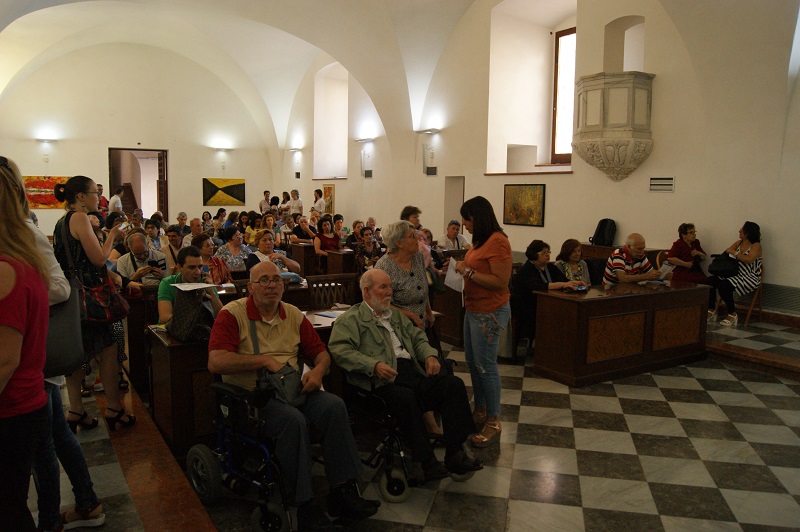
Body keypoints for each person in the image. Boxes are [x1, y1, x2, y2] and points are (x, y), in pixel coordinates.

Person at [207, 261, 379, 529]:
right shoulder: (232, 314)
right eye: (264, 280)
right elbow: (216, 362)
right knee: (293, 421)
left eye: (276, 280)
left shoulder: (293, 314)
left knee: (334, 406)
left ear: (284, 285)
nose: (271, 285)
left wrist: (318, 372)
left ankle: (343, 491)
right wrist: (264, 361)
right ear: (250, 287)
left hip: (292, 387)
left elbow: (320, 353)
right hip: (253, 397)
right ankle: (304, 504)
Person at [329, 269, 483, 482]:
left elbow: (418, 338)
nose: (389, 292)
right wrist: (373, 365)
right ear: (366, 291)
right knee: (406, 398)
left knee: (453, 385)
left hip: (411, 371)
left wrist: (430, 355)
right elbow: (341, 351)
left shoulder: (394, 316)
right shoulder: (351, 320)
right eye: (383, 287)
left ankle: (455, 453)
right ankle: (426, 461)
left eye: (390, 287)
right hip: (379, 382)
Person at [52, 175, 136, 436]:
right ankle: (114, 408)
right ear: (80, 196)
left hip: (72, 296)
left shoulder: (61, 221)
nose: (98, 198)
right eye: (94, 193)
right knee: (108, 349)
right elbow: (99, 259)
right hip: (91, 297)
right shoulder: (79, 218)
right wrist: (112, 236)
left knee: (77, 353)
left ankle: (76, 410)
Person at [0, 155, 52, 530]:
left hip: (11, 409)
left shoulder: (7, 268)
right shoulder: (23, 259)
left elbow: (5, 360)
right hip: (25, 404)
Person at [453, 196, 512, 448]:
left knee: (486, 366)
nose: (464, 224)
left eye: (467, 219)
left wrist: (467, 271)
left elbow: (500, 281)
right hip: (473, 309)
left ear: (477, 217)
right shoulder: (481, 241)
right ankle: (480, 409)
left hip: (490, 311)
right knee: (473, 363)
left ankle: (493, 421)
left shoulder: (498, 241)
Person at [511, 240, 587, 342]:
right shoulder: (527, 270)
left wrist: (574, 283)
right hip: (528, 307)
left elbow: (564, 280)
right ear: (534, 255)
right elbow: (538, 286)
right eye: (544, 253)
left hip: (547, 304)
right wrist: (562, 284)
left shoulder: (550, 267)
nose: (547, 255)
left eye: (548, 252)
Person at [375, 221, 434, 329]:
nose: (417, 238)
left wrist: (428, 311)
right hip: (396, 326)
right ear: (399, 243)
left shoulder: (417, 256)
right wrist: (411, 316)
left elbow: (422, 286)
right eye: (412, 236)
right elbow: (381, 304)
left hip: (420, 324)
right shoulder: (383, 267)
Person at [707, 221, 763, 326]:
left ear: (748, 232)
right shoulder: (739, 243)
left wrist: (735, 253)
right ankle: (711, 309)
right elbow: (728, 251)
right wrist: (735, 253)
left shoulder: (756, 246)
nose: (739, 231)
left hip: (749, 277)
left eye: (742, 229)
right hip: (734, 274)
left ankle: (732, 314)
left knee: (724, 285)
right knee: (710, 281)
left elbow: (749, 259)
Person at [157, 246, 222, 324]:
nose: (198, 272)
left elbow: (220, 315)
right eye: (192, 268)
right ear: (179, 267)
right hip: (174, 327)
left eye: (200, 267)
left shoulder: (205, 281)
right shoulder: (168, 283)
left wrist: (211, 292)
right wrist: (195, 318)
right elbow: (164, 317)